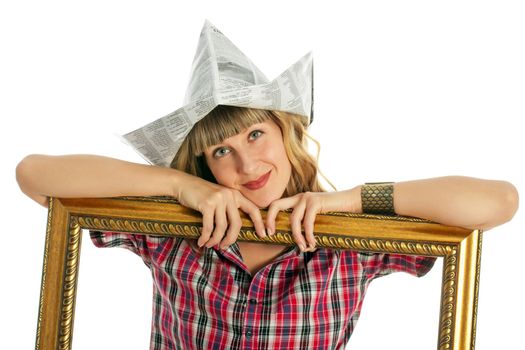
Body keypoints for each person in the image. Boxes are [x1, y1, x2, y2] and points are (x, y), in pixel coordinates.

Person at [15, 21, 519, 350]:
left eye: (256, 134)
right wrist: (177, 186)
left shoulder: (350, 244)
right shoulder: (171, 232)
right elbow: (33, 175)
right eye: (220, 150)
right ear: (206, 165)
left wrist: (346, 200)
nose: (245, 161)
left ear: (285, 133)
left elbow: (498, 202)